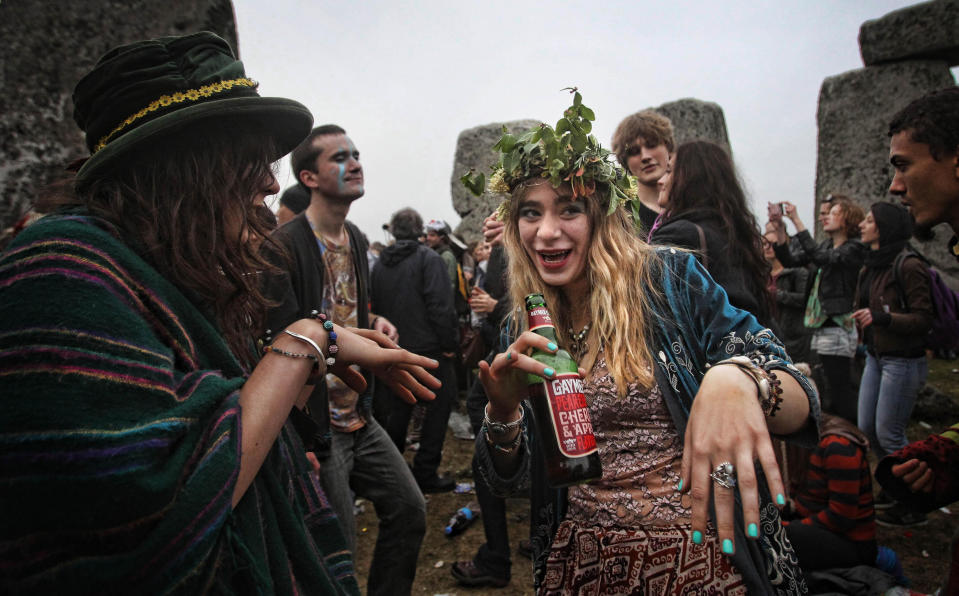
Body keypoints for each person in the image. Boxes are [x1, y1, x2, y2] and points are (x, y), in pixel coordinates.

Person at [0, 32, 440, 594]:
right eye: (248, 160)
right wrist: (308, 341)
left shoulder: (173, 271)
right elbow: (150, 519)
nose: (267, 182)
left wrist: (288, 421)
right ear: (185, 165)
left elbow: (232, 407)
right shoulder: (58, 273)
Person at [463, 90, 819, 594]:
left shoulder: (670, 281)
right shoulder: (523, 325)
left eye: (568, 209)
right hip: (582, 561)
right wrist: (502, 417)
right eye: (529, 213)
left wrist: (740, 379)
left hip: (700, 554)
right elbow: (507, 483)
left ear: (601, 214)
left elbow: (803, 404)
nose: (546, 232)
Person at [264, 124, 428, 594]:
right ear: (308, 177)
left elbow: (348, 308)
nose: (355, 163)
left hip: (360, 413)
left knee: (410, 509)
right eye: (340, 157)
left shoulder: (355, 237)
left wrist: (374, 323)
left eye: (356, 154)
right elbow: (277, 342)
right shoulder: (285, 244)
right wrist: (301, 439)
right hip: (318, 427)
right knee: (337, 553)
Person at [371, 207, 459, 493]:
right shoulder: (429, 260)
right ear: (420, 230)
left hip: (392, 348)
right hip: (428, 351)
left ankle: (393, 473)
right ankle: (424, 472)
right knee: (438, 409)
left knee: (398, 410)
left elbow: (375, 307)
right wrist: (449, 345)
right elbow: (440, 306)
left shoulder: (380, 265)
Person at [650, 140, 776, 328]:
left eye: (669, 171)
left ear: (690, 178)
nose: (660, 180)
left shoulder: (680, 235)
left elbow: (650, 310)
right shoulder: (734, 234)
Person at [771, 195, 866, 424]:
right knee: (826, 384)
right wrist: (781, 229)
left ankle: (849, 434)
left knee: (840, 387)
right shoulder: (825, 245)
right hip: (821, 325)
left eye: (834, 214)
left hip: (837, 324)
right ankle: (835, 430)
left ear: (847, 220)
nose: (826, 218)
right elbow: (790, 259)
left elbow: (821, 258)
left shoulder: (853, 248)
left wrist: (796, 220)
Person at [852, 203, 932, 465]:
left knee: (890, 435)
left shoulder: (908, 266)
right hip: (875, 357)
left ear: (884, 227)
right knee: (867, 427)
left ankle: (914, 492)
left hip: (903, 360)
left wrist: (882, 318)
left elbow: (923, 319)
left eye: (869, 220)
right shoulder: (870, 267)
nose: (862, 225)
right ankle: (893, 484)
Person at [781, 413, 877, 572]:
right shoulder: (794, 442)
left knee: (778, 537)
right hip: (817, 528)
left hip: (851, 544)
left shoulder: (838, 446)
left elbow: (840, 517)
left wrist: (789, 527)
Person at [610, 109, 675, 240]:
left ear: (668, 146)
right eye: (634, 151)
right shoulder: (622, 216)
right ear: (624, 161)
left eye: (651, 145)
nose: (645, 156)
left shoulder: (694, 202)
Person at [764, 227, 812, 363]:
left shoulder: (797, 272)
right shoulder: (761, 274)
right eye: (764, 244)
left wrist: (775, 294)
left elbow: (804, 299)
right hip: (768, 336)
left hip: (793, 338)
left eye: (772, 244)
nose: (768, 248)